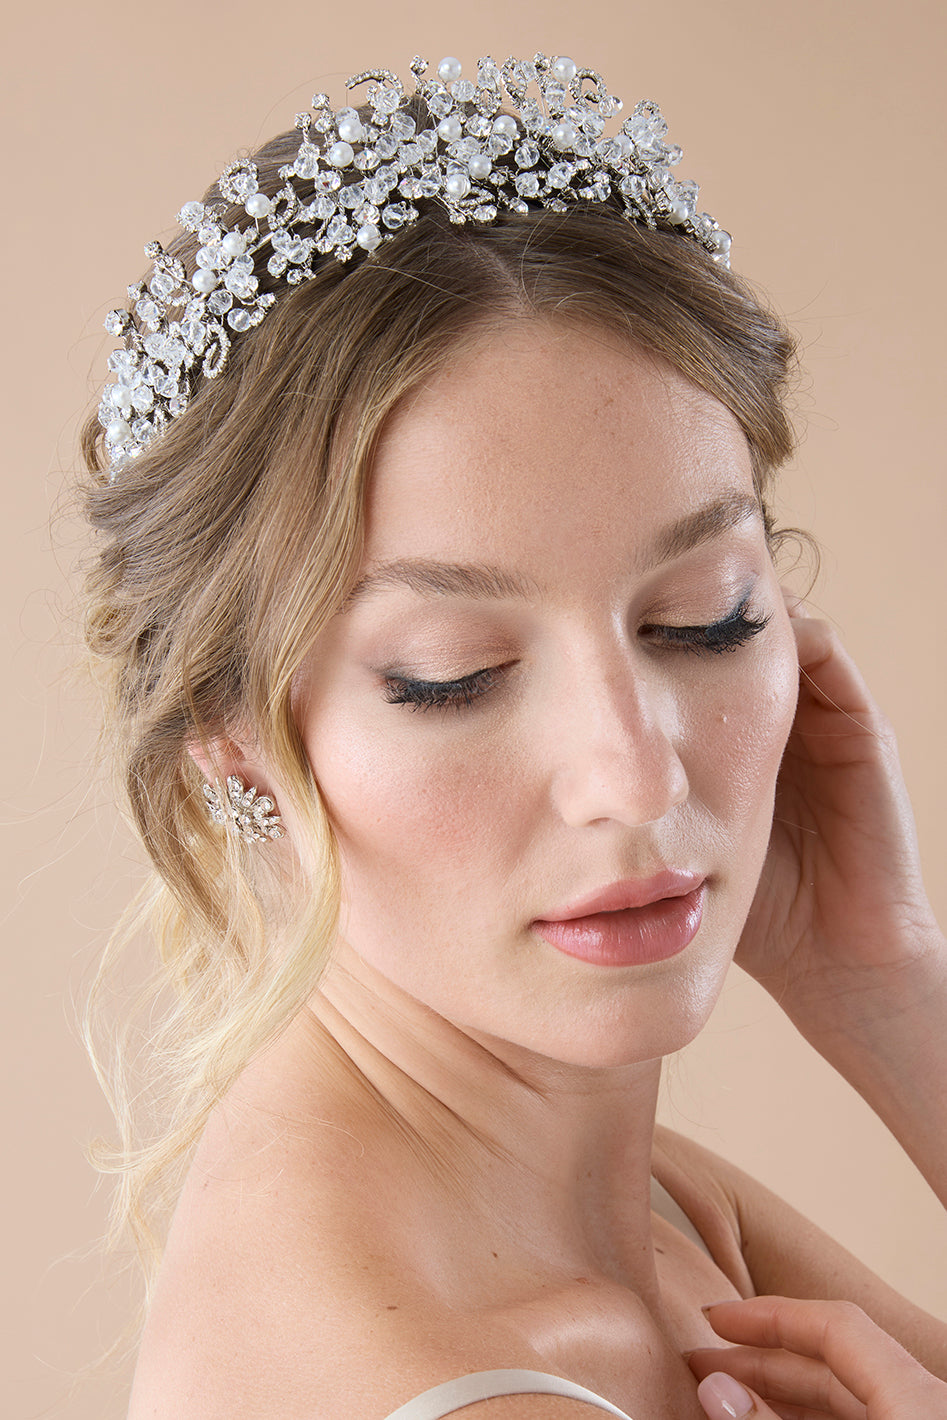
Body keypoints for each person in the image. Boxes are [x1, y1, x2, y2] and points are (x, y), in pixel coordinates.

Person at [79, 52, 947, 1419]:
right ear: (234, 738)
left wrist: (890, 987)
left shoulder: (631, 1203)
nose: (637, 774)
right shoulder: (432, 1376)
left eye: (705, 619)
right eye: (454, 675)